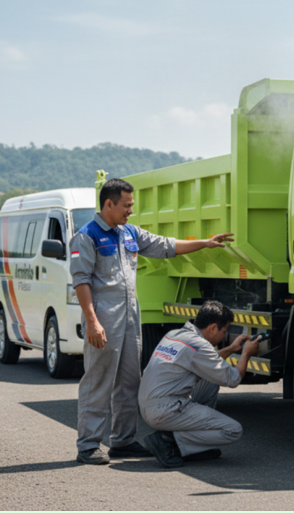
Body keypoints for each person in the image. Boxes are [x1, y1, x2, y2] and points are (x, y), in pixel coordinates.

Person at [71, 178, 233, 465]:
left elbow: (165, 246)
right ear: (109, 203)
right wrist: (92, 322)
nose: (131, 211)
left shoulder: (129, 232)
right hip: (104, 318)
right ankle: (88, 445)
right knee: (98, 382)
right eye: (127, 205)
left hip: (131, 316)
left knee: (130, 382)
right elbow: (81, 281)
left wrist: (205, 244)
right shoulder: (87, 237)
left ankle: (122, 441)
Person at [138, 300, 262, 468]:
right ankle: (168, 441)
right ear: (212, 328)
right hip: (164, 410)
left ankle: (192, 447)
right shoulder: (199, 346)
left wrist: (231, 349)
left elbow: (204, 362)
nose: (223, 336)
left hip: (150, 404)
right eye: (224, 331)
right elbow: (233, 379)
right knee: (233, 430)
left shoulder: (175, 334)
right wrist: (246, 353)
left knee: (211, 382)